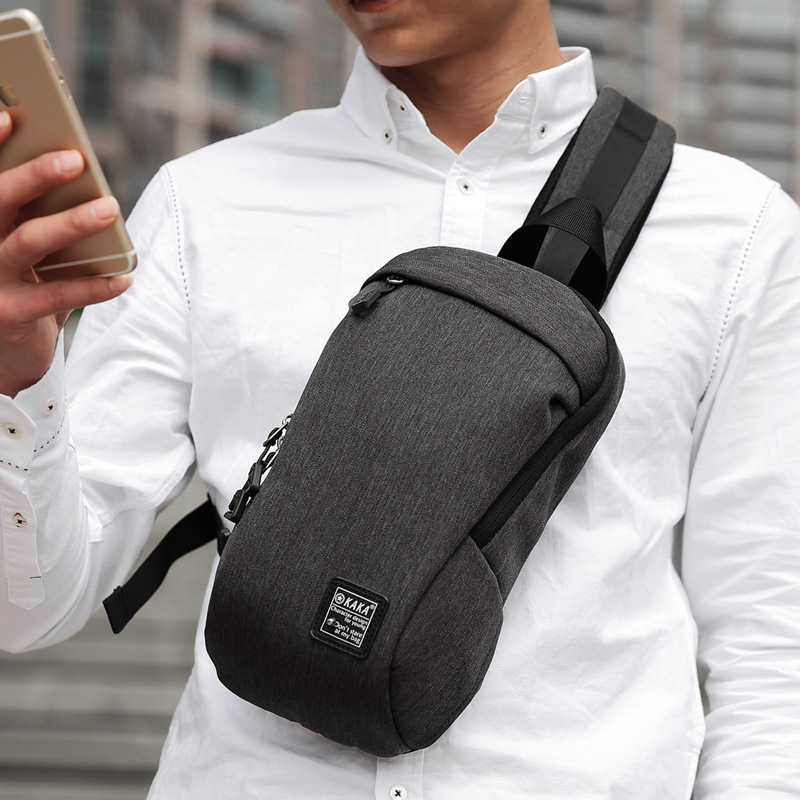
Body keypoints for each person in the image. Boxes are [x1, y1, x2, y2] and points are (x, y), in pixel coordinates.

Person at [1, 1, 799, 797]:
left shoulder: (735, 234)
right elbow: (30, 608)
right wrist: (18, 370)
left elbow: (771, 645)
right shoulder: (201, 203)